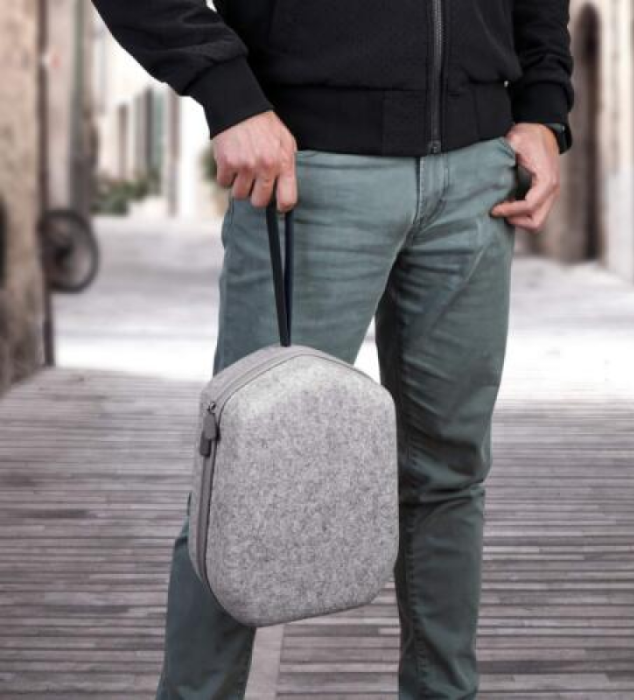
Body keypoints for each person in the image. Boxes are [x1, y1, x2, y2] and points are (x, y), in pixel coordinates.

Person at [92, 1, 574, 697]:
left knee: (449, 474)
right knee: (244, 474)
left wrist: (544, 110)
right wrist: (228, 95)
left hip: (477, 178)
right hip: (308, 171)